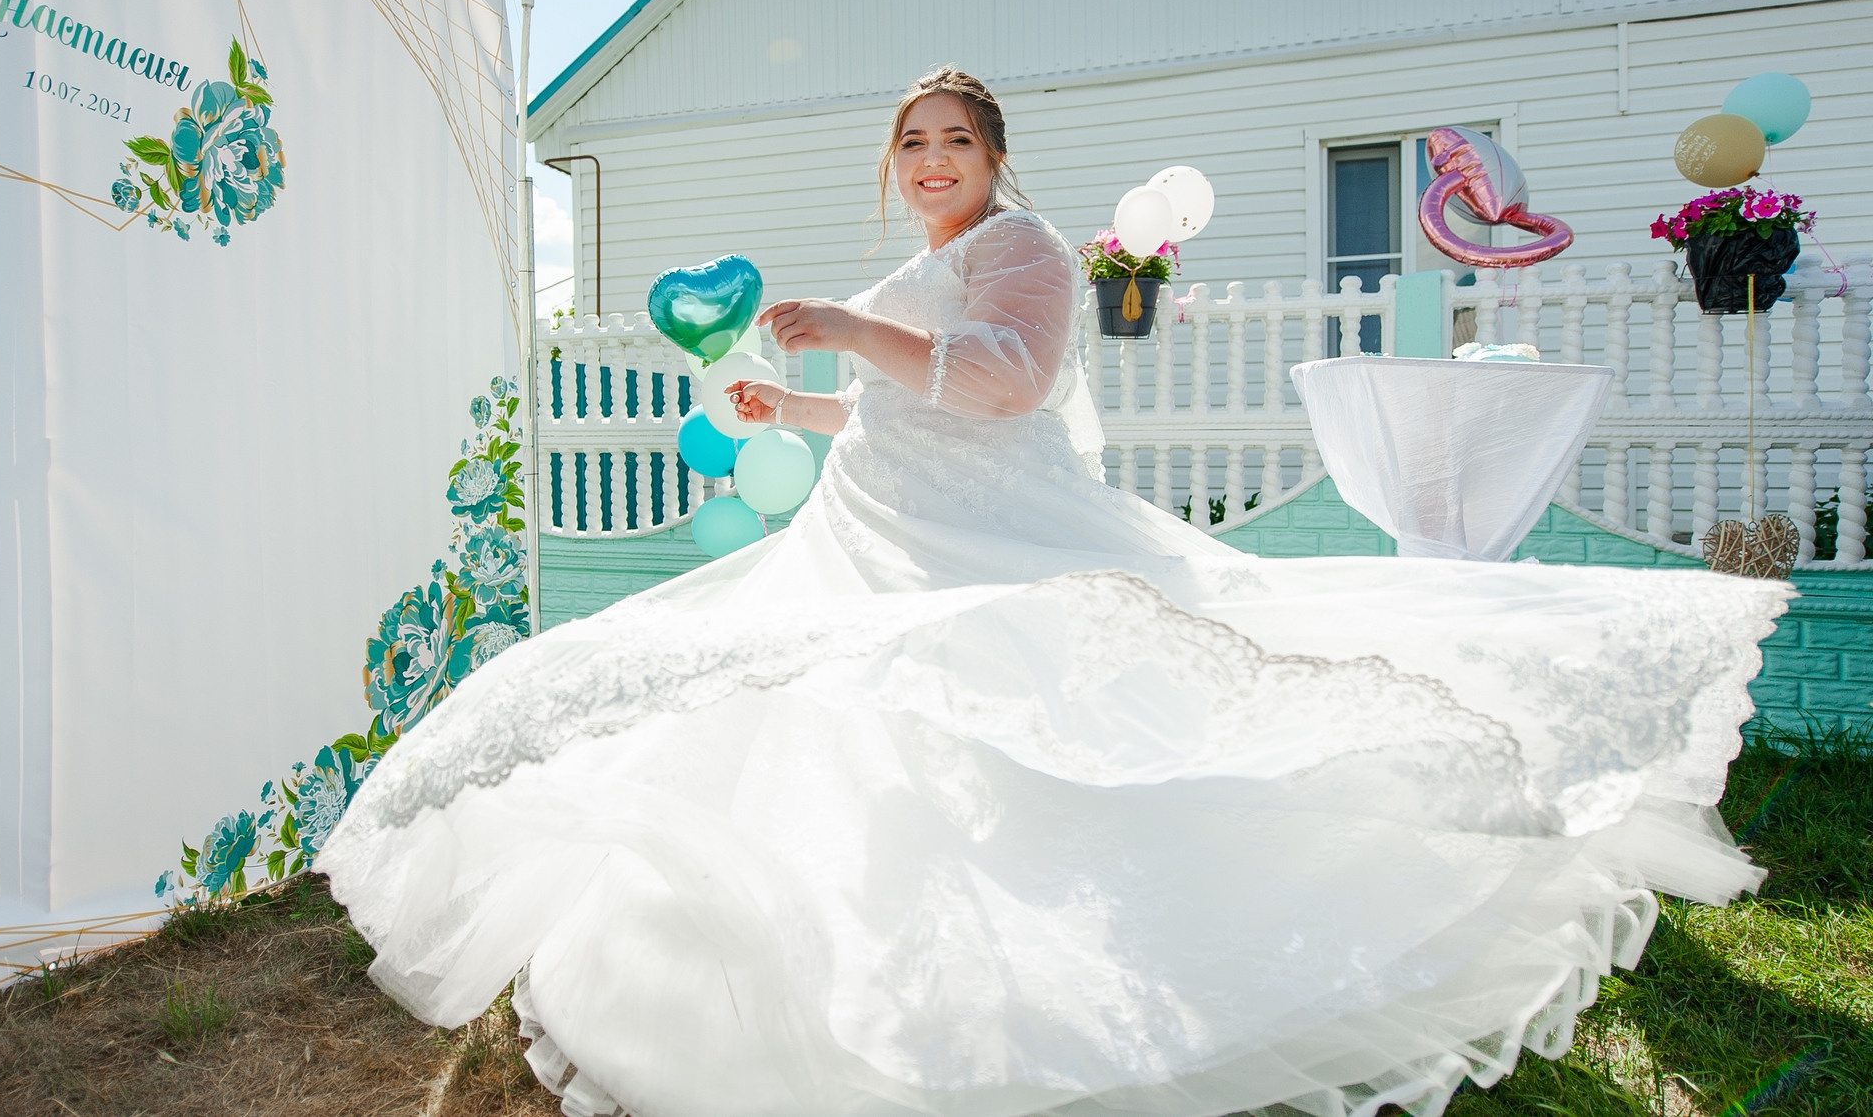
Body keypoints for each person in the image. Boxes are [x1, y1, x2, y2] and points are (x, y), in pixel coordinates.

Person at [320, 66, 1788, 1117]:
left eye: (953, 139)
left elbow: (1009, 386)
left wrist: (849, 332)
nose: (930, 159)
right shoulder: (935, 257)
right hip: (877, 532)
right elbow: (903, 407)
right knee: (867, 746)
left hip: (981, 541)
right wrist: (800, 408)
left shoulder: (1021, 247)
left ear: (994, 156)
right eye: (911, 142)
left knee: (1035, 720)